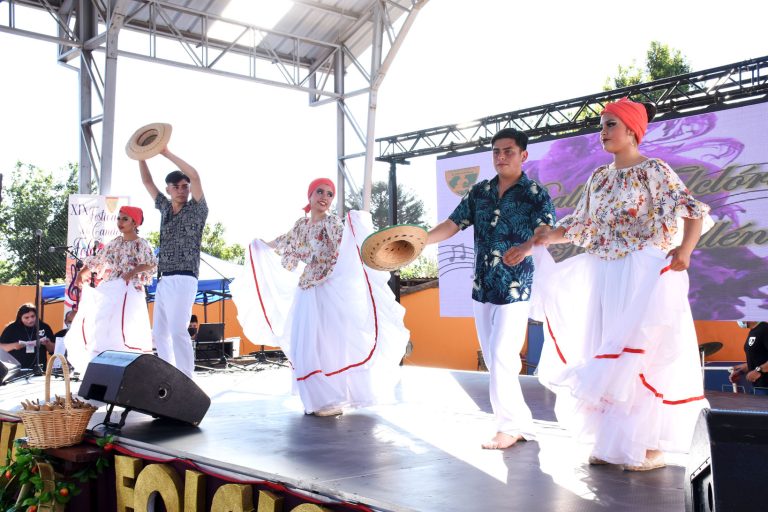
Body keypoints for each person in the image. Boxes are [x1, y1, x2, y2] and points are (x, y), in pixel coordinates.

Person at [505, 97, 711, 470]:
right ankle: (611, 441)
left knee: (642, 349)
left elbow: (693, 211)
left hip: (644, 272)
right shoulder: (599, 177)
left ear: (633, 129)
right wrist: (540, 239)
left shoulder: (654, 170)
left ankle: (648, 447)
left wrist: (686, 249)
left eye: (611, 124)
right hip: (606, 273)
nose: (603, 132)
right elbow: (582, 226)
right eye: (601, 125)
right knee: (603, 347)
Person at [231, 178, 410, 416]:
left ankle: (332, 399)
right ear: (310, 195)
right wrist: (262, 245)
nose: (324, 197)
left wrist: (358, 228)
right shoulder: (301, 225)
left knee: (330, 343)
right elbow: (284, 241)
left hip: (328, 288)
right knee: (306, 344)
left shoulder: (332, 223)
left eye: (329, 194)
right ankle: (316, 400)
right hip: (306, 289)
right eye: (320, 192)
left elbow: (346, 244)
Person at [426, 128, 556, 449]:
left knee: (502, 355)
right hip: (481, 285)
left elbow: (544, 230)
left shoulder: (534, 193)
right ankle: (519, 424)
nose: (500, 157)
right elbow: (452, 224)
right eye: (496, 151)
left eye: (508, 151)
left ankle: (508, 426)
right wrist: (418, 241)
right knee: (493, 356)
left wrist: (527, 246)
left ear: (523, 155)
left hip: (516, 285)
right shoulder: (479, 191)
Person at [139, 147, 208, 378]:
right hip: (164, 278)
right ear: (168, 189)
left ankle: (186, 378)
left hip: (185, 276)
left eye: (184, 186)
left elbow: (195, 175)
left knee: (179, 329)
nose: (181, 190)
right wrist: (140, 156)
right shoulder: (165, 208)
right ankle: (169, 376)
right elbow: (148, 182)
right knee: (159, 333)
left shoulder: (197, 209)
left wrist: (165, 152)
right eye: (176, 187)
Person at [64, 206, 157, 372]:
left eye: (125, 219)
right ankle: (103, 365)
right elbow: (98, 259)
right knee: (103, 322)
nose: (120, 222)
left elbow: (150, 263)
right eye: (119, 218)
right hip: (113, 286)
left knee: (127, 327)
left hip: (131, 290)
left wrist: (132, 272)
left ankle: (129, 368)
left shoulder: (141, 244)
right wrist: (81, 274)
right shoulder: (115, 242)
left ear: (135, 222)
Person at [0, 303, 55, 369]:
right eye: (26, 318)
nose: (30, 320)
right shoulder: (12, 328)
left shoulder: (44, 327)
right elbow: (1, 348)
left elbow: (52, 350)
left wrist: (48, 343)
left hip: (39, 369)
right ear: (20, 318)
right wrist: (15, 345)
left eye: (33, 316)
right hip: (17, 370)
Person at [729, 321, 768, 390]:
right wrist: (740, 372)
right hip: (759, 386)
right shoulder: (752, 332)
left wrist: (758, 370)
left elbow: (758, 367)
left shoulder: (765, 329)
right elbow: (758, 359)